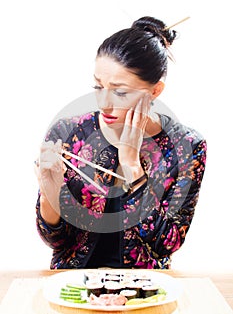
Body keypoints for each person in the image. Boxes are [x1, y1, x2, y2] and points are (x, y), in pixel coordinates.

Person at [35, 16, 207, 269]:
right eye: (98, 86)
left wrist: (131, 165)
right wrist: (50, 196)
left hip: (148, 287)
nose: (103, 103)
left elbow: (166, 245)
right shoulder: (67, 132)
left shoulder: (188, 145)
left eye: (120, 92)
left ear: (155, 91)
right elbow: (57, 242)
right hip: (72, 283)